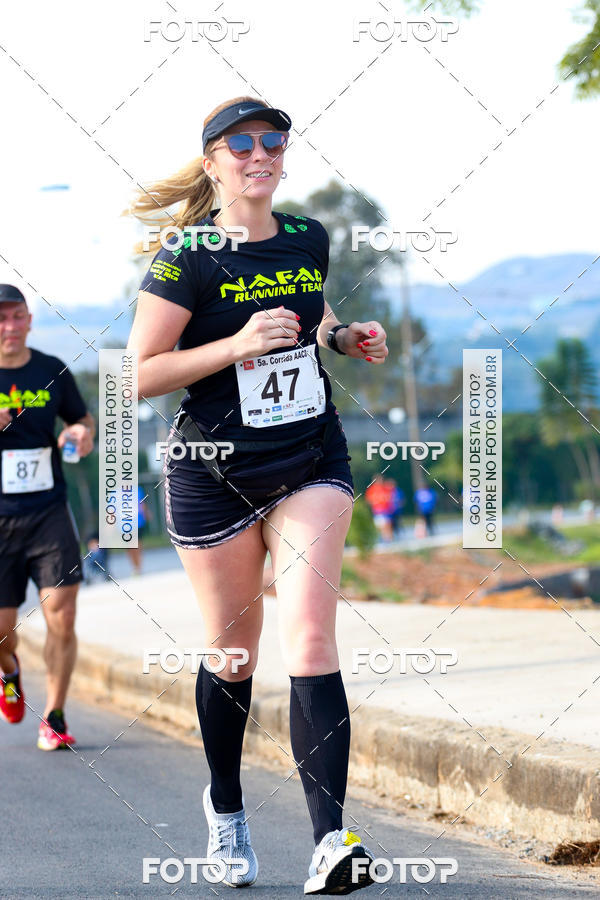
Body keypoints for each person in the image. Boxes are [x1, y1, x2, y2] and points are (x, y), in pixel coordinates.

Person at [127, 96, 389, 894]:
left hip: (309, 458)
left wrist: (339, 337)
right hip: (213, 474)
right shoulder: (187, 255)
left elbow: (311, 313)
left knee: (310, 642)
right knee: (233, 656)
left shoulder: (308, 236)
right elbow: (139, 374)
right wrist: (236, 345)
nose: (259, 153)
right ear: (212, 162)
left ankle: (331, 842)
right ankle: (227, 808)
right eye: (240, 144)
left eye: (272, 140)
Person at [0, 284, 95, 749]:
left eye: (17, 316)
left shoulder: (51, 370)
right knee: (2, 632)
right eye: (1, 318)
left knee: (63, 614)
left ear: (29, 320)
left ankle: (54, 716)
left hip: (49, 512)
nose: (9, 326)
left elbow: (82, 420)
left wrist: (80, 433)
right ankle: (10, 674)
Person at [126, 485, 151, 575]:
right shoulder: (116, 493)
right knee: (129, 547)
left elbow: (142, 504)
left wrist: (146, 514)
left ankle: (138, 567)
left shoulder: (137, 490)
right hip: (123, 524)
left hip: (137, 521)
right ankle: (134, 566)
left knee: (137, 544)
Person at [365, 473, 394, 542]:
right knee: (380, 526)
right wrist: (375, 501)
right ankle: (384, 540)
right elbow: (368, 500)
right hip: (377, 511)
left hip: (386, 510)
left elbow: (390, 497)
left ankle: (389, 540)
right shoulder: (371, 489)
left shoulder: (385, 488)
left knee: (387, 525)